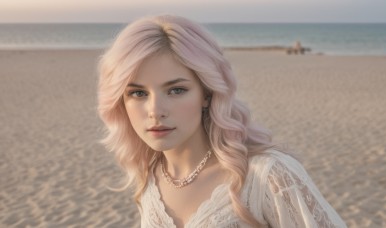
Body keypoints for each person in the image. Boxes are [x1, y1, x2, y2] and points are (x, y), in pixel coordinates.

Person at [97, 15, 346, 227]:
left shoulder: (268, 175)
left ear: (207, 93)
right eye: (138, 93)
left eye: (176, 90)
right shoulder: (150, 175)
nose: (155, 111)